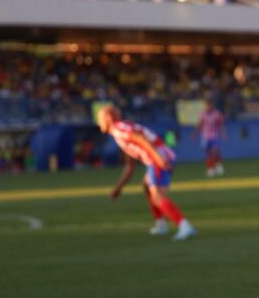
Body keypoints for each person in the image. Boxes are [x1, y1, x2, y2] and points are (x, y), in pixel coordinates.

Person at [97, 105, 197, 240]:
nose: (98, 122)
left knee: (157, 196)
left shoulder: (119, 129)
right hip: (156, 157)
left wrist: (158, 159)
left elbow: (140, 139)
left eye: (100, 118)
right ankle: (161, 224)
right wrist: (118, 188)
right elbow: (130, 165)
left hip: (157, 157)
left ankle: (184, 226)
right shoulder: (120, 132)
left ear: (108, 118)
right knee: (147, 187)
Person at [194, 100, 226, 177]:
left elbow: (220, 123)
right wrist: (195, 133)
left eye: (210, 105)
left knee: (215, 151)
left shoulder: (217, 113)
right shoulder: (203, 114)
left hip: (214, 135)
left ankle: (218, 166)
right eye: (207, 105)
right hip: (205, 136)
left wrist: (222, 132)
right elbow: (200, 124)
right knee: (208, 153)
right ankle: (210, 169)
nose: (209, 107)